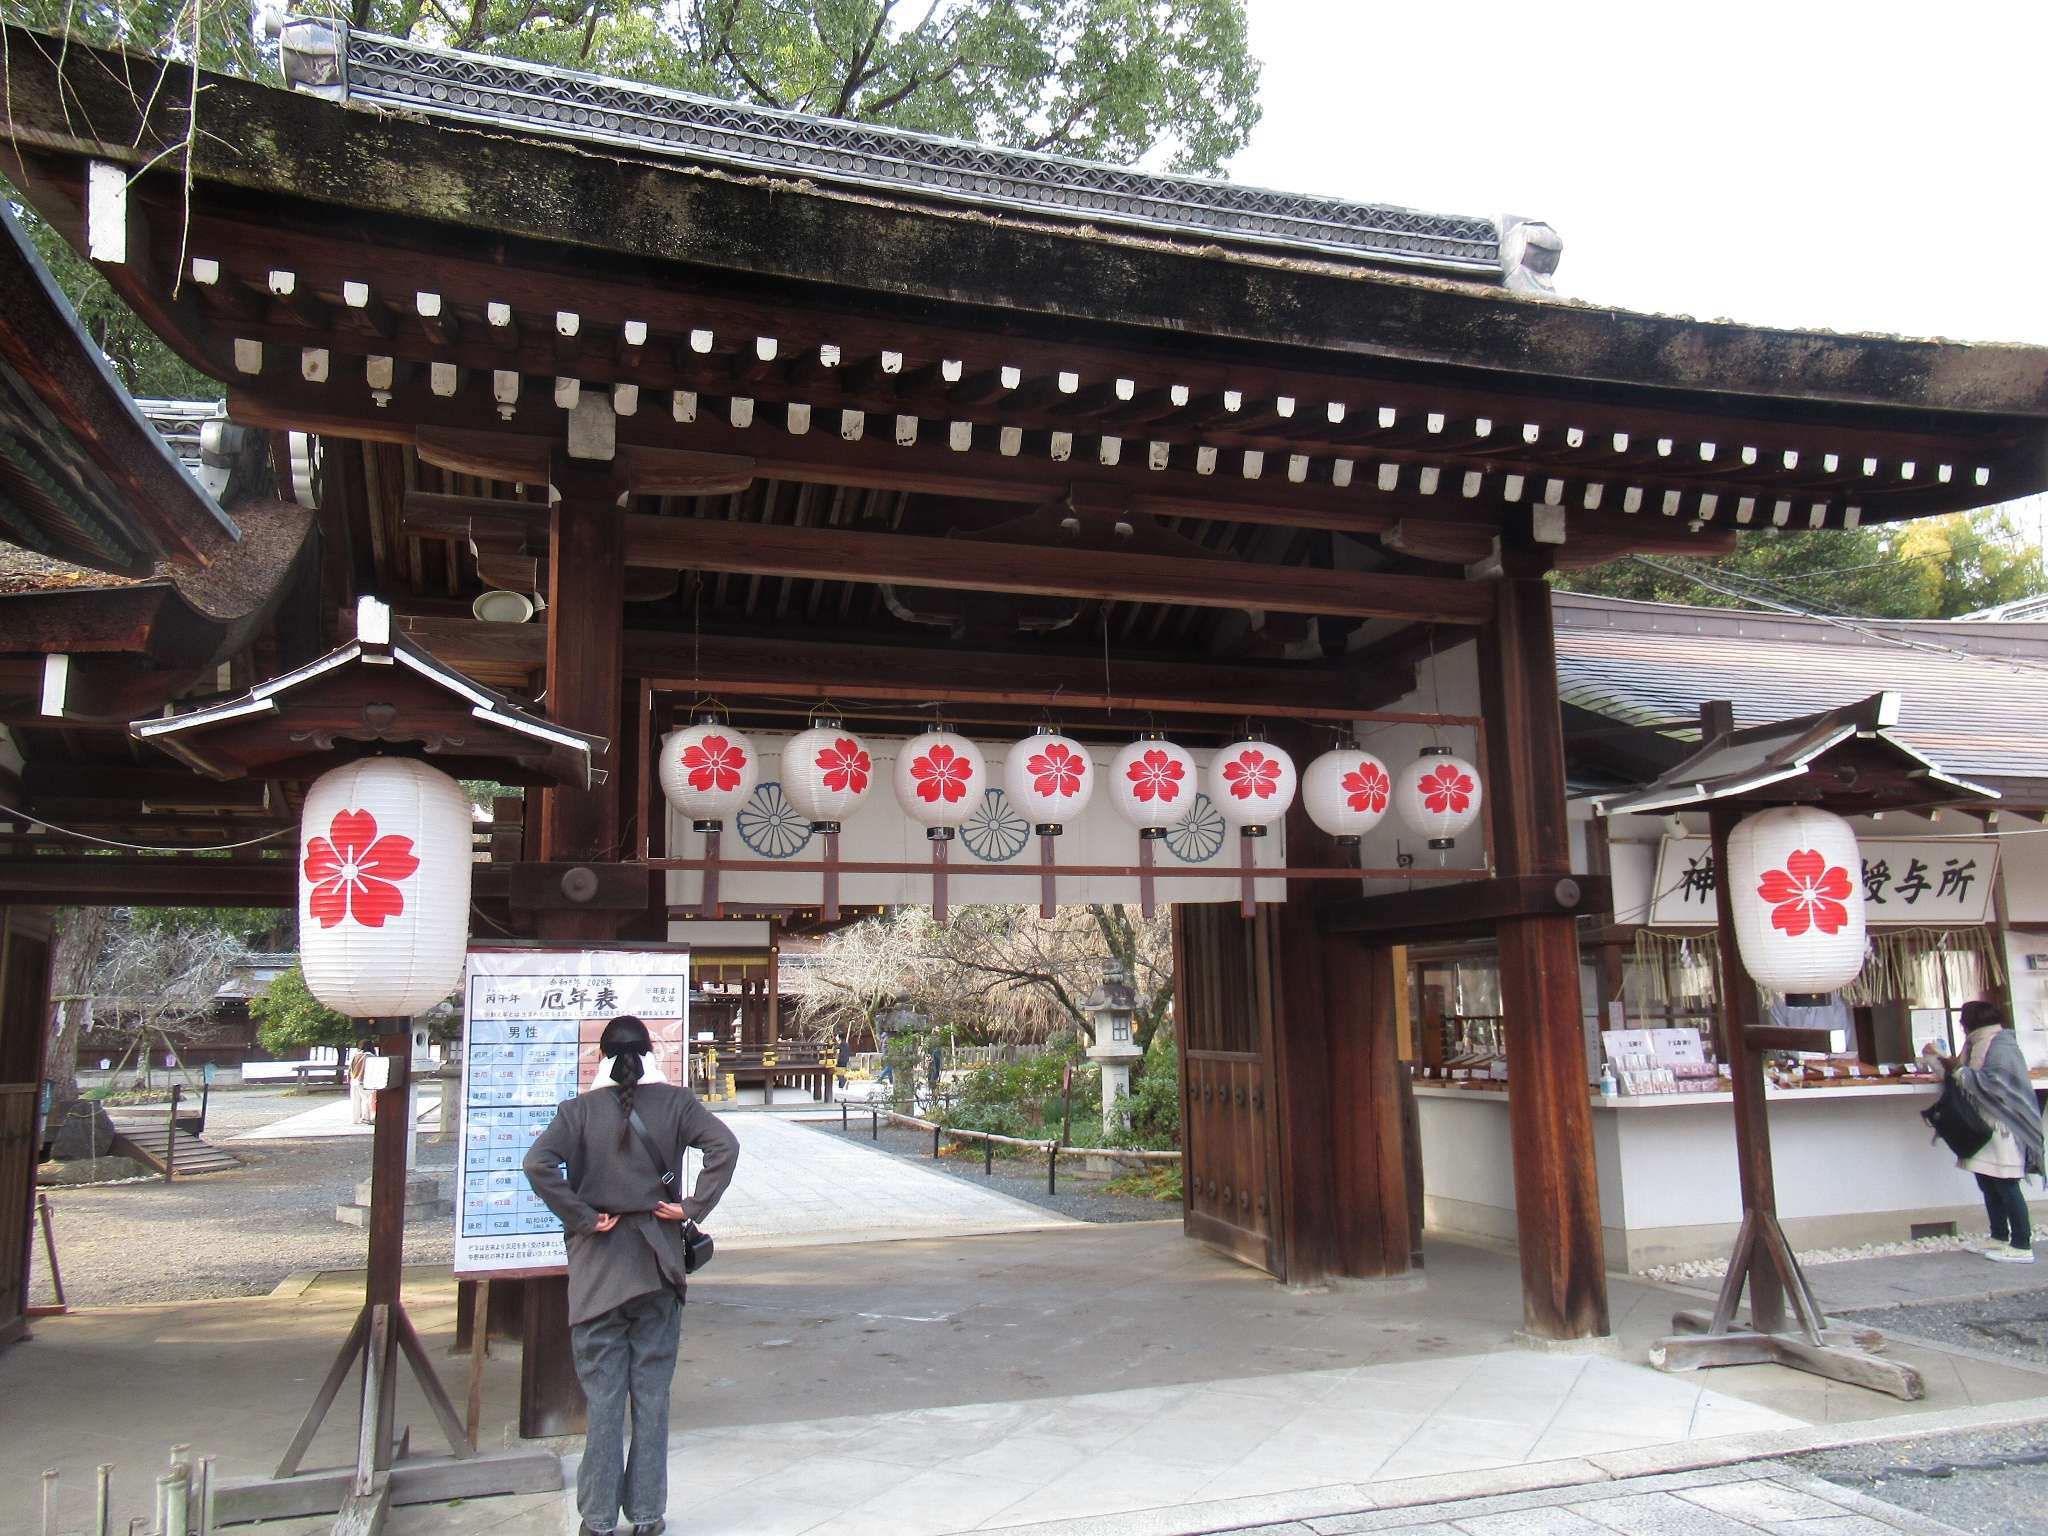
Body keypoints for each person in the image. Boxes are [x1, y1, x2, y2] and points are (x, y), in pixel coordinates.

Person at [523, 1016, 740, 1536]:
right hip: (658, 1264)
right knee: (652, 1397)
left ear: (602, 1058)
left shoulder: (576, 1112)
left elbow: (538, 1164)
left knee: (602, 1401)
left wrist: (581, 1216)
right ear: (649, 1053)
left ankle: (597, 1520)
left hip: (598, 1270)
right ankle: (647, 1514)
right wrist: (690, 1206)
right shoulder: (676, 1104)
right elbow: (724, 1147)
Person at [1925, 999, 2044, 1264]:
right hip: (1983, 1125)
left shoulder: (2002, 1045)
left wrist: (1956, 1069)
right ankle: (1999, 1235)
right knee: (1987, 1181)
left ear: (1969, 1023)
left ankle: (2022, 1243)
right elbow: (1963, 1075)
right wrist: (1939, 1060)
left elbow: (1993, 1084)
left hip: (2004, 1125)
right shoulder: (1975, 1043)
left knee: (2006, 1182)